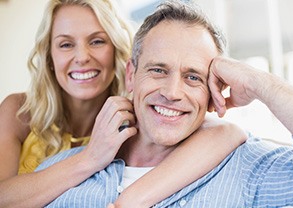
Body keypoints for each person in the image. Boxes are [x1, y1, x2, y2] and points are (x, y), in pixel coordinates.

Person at [36, 0, 293, 207]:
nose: (173, 91)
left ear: (213, 89)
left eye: (193, 77)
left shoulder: (250, 170)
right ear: (131, 75)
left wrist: (260, 83)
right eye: (158, 70)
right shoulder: (58, 171)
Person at [0, 0, 246, 207]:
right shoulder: (18, 111)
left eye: (97, 41)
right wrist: (89, 159)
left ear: (117, 49)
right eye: (66, 44)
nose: (82, 57)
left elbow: (224, 133)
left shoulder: (142, 112)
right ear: (49, 56)